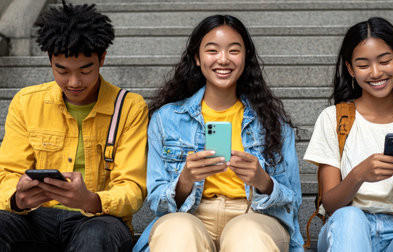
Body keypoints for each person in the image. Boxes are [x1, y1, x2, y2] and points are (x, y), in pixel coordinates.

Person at [133, 14, 303, 252]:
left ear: (246, 58)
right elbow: (157, 201)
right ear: (197, 58)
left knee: (247, 234)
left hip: (254, 214)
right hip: (192, 216)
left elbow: (292, 201)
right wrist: (185, 180)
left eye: (234, 51)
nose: (223, 59)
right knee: (176, 232)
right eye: (212, 50)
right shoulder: (167, 119)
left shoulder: (272, 121)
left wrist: (262, 181)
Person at [0, 1, 148, 251]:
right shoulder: (26, 103)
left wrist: (91, 200)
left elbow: (133, 188)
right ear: (50, 61)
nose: (74, 82)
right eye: (62, 70)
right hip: (35, 217)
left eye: (85, 70)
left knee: (96, 238)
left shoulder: (130, 107)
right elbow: (7, 173)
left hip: (97, 219)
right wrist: (17, 197)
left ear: (102, 59)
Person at [304, 17, 393, 252]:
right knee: (349, 216)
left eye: (384, 61)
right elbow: (330, 205)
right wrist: (358, 175)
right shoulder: (334, 118)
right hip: (348, 228)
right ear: (350, 69)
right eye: (363, 65)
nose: (375, 72)